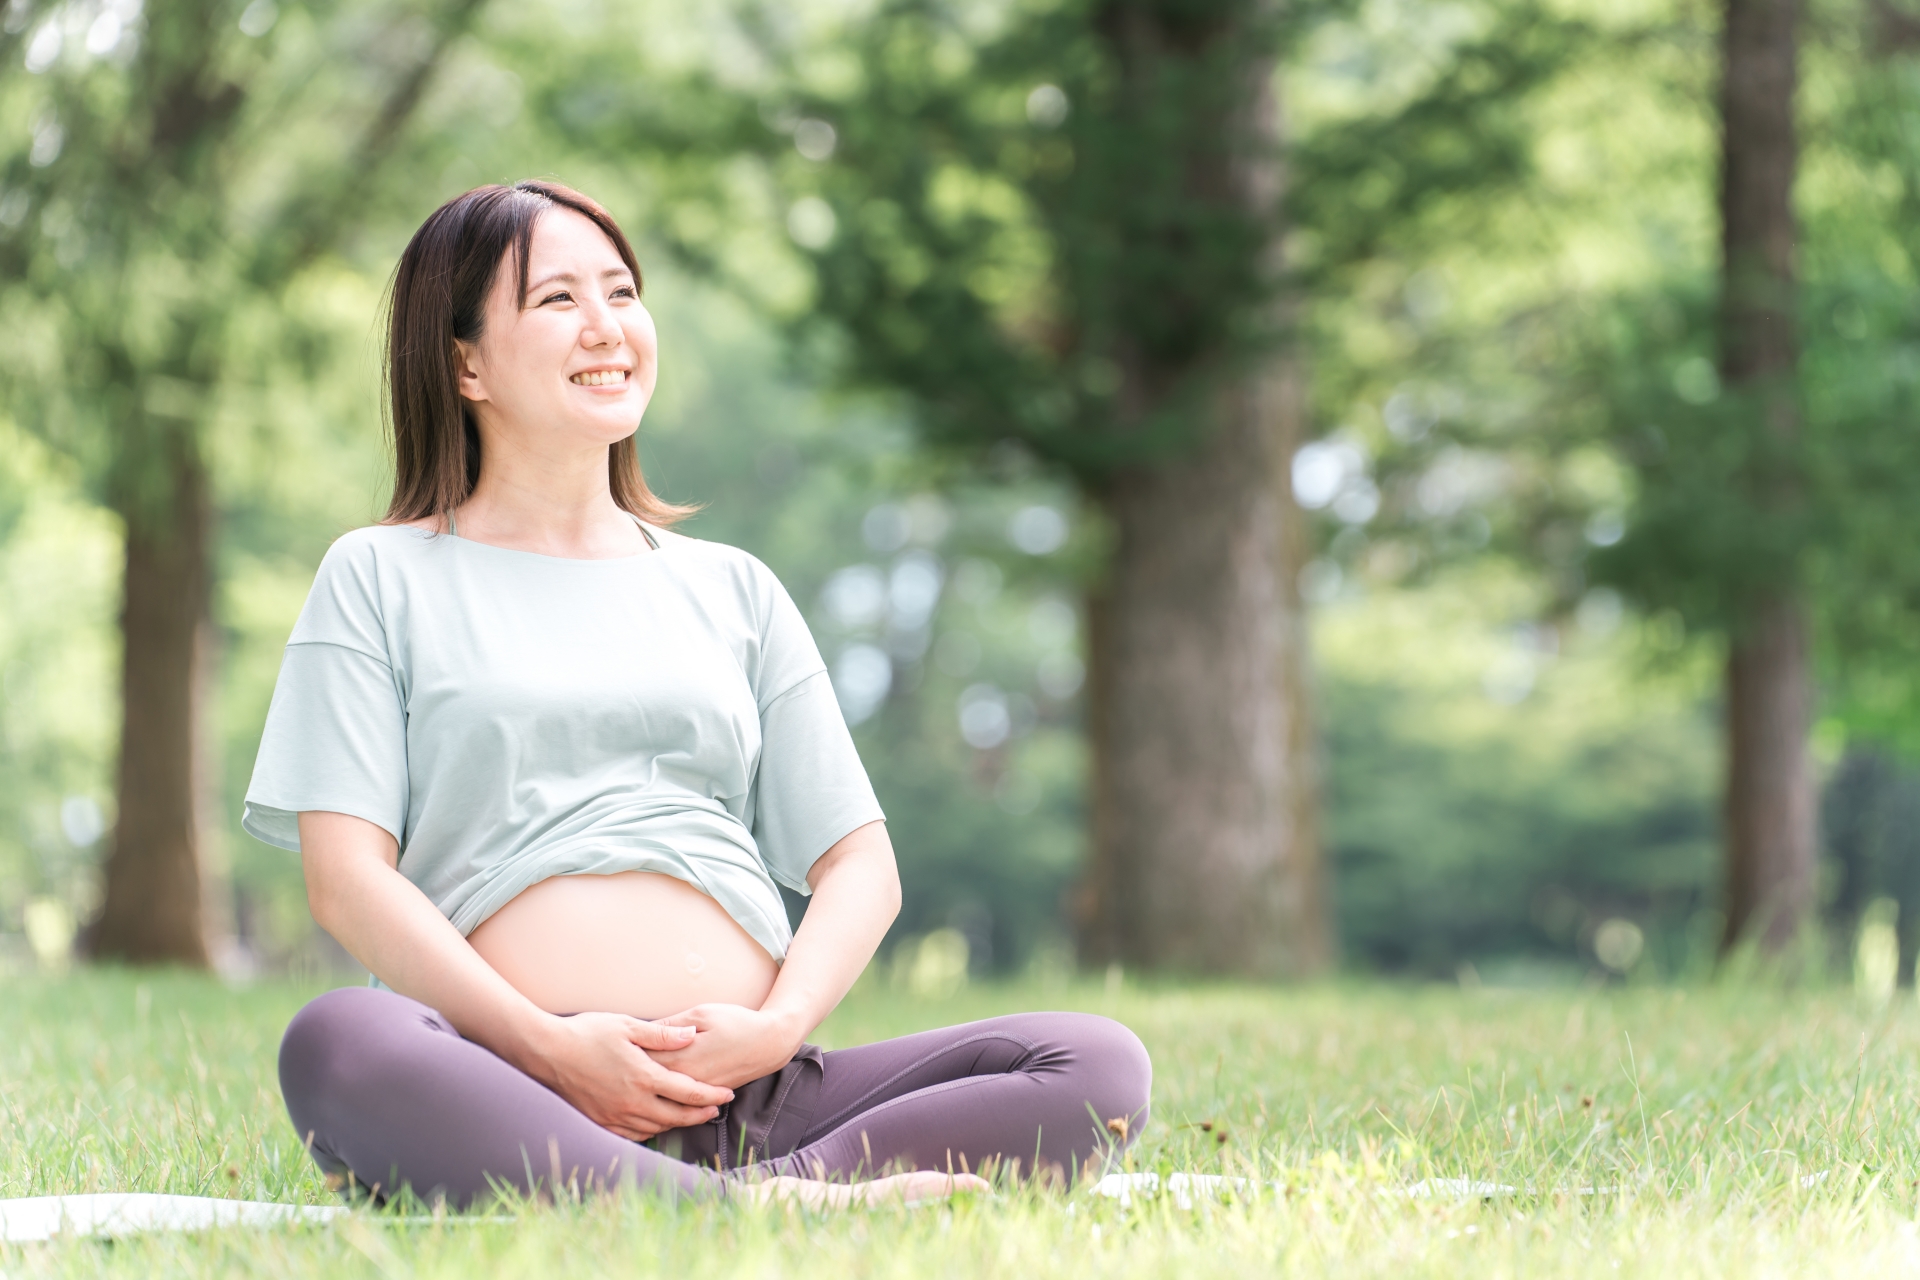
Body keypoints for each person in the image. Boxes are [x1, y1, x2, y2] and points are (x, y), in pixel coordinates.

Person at [244, 180, 1152, 1210]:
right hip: (506, 1077)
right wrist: (548, 1045)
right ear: (465, 361)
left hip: (752, 1095)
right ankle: (754, 1210)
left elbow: (859, 860)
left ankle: (757, 1192)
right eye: (557, 300)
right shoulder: (378, 575)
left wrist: (772, 1028)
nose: (608, 326)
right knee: (338, 1041)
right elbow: (345, 880)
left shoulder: (733, 587)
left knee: (1095, 1063)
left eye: (622, 291)